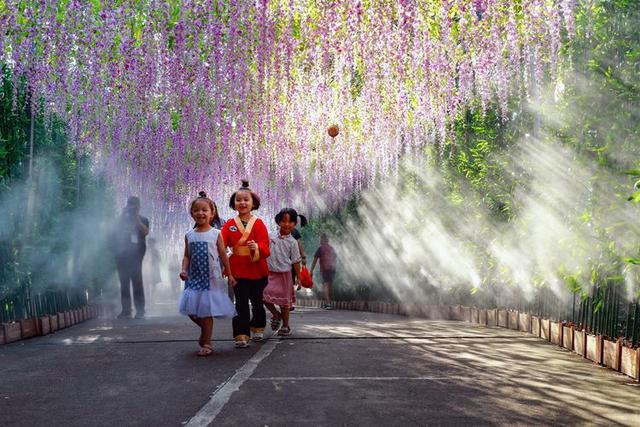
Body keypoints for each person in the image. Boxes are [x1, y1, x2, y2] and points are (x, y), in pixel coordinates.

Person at [179, 191, 236, 357]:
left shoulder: (216, 234)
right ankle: (205, 332)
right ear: (192, 213)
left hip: (211, 278)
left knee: (206, 311)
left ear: (212, 214)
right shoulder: (189, 235)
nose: (200, 213)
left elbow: (223, 255)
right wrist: (183, 270)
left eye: (205, 210)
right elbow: (187, 256)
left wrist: (230, 274)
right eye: (197, 210)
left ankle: (207, 342)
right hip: (194, 278)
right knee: (191, 311)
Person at [221, 180, 270, 348]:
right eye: (238, 200)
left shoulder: (259, 223)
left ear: (253, 203)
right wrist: (222, 265)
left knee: (257, 300)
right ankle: (241, 334)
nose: (242, 203)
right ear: (233, 204)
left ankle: (257, 326)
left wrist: (257, 246)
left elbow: (265, 244)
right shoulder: (229, 224)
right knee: (240, 302)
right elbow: (221, 245)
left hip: (257, 268)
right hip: (238, 269)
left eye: (246, 199)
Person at [263, 208, 302, 336]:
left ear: (294, 224)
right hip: (269, 272)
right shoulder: (270, 236)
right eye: (284, 221)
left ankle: (285, 326)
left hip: (285, 274)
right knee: (264, 296)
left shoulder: (293, 242)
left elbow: (296, 261)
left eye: (290, 222)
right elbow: (263, 251)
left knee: (284, 302)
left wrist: (299, 278)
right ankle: (276, 314)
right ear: (278, 222)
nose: (287, 224)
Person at [111, 196, 149, 319]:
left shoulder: (143, 219)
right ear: (127, 205)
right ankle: (126, 310)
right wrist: (123, 214)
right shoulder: (121, 219)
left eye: (134, 205)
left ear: (139, 207)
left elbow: (145, 232)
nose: (132, 207)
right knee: (124, 283)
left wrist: (136, 218)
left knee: (137, 282)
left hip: (137, 255)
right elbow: (114, 231)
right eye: (130, 204)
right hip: (121, 255)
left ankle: (140, 311)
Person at [310, 234, 337, 310]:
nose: (319, 240)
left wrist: (311, 270)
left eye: (320, 239)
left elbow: (314, 260)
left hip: (325, 269)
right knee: (330, 286)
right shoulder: (332, 248)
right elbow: (335, 259)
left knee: (325, 286)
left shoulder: (320, 249)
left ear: (323, 240)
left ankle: (328, 304)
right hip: (332, 269)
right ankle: (329, 303)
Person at [144, 238, 162, 303]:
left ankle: (151, 298)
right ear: (149, 243)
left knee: (153, 284)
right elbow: (143, 259)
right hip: (147, 268)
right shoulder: (145, 250)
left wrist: (155, 260)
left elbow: (160, 259)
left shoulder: (155, 251)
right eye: (151, 243)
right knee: (147, 284)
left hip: (154, 269)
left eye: (153, 243)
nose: (152, 244)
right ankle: (148, 297)